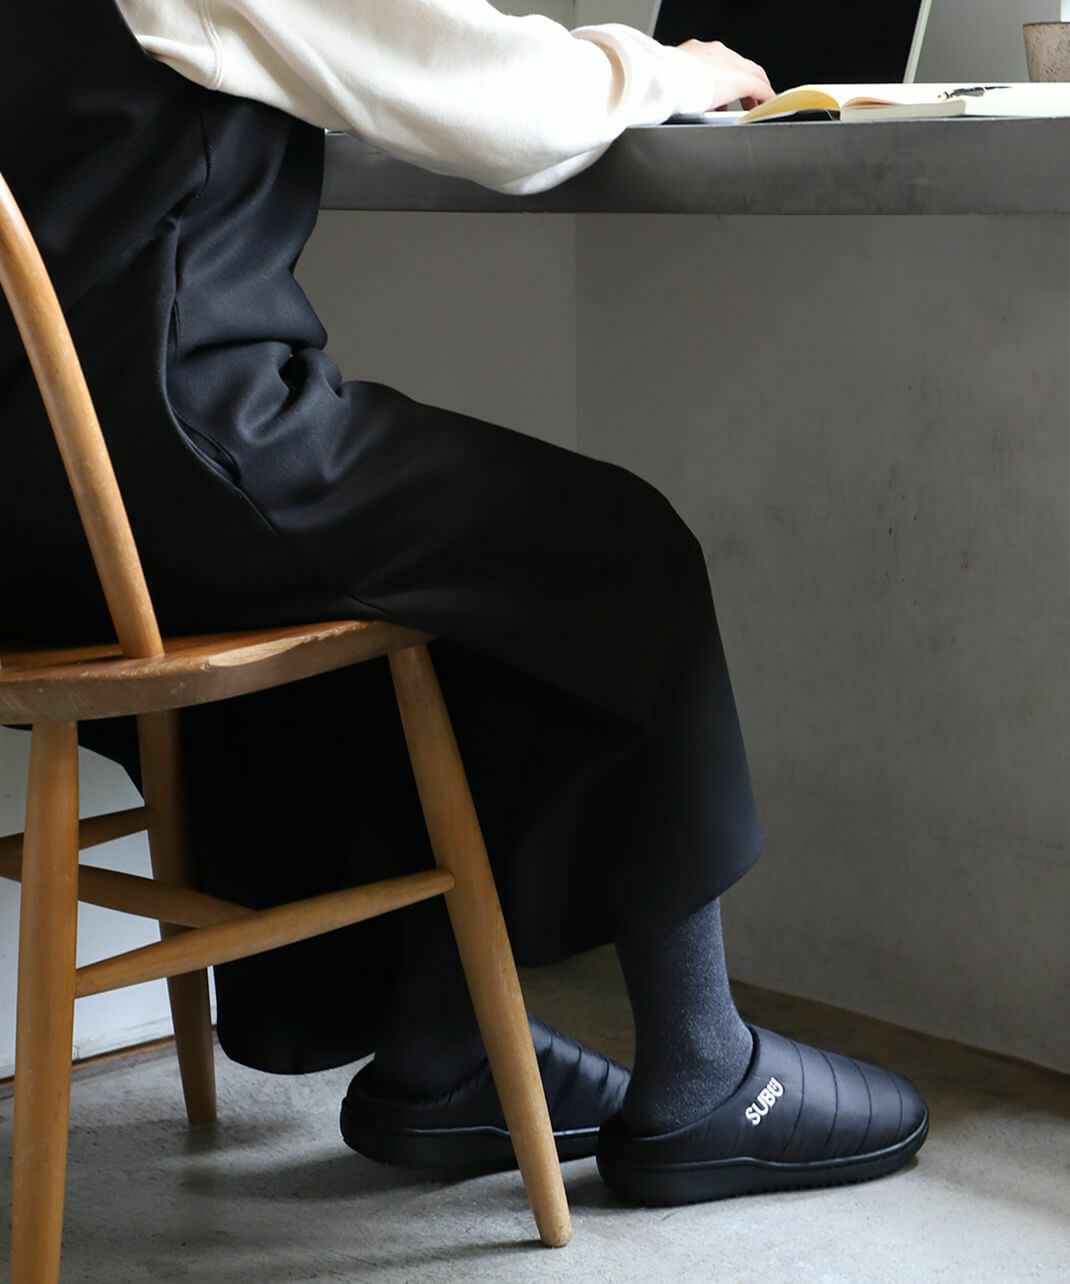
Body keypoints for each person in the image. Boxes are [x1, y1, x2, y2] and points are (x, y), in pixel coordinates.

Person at [0, 0, 927, 1207]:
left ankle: (439, 1050)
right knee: (613, 547)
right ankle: (708, 1074)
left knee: (404, 588)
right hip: (172, 463)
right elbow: (492, 104)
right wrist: (658, 67)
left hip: (28, 527)